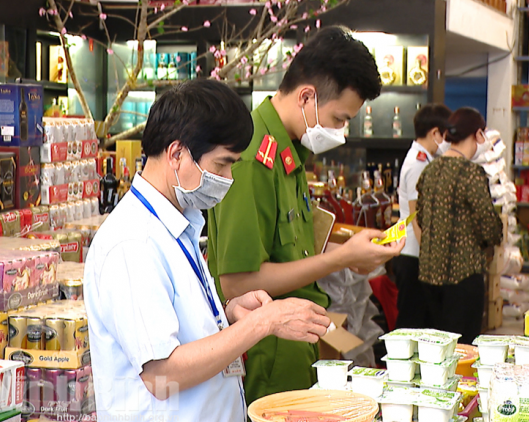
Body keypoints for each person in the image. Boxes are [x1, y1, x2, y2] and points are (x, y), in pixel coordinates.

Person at [84, 80, 332, 422]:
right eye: (221, 165)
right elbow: (161, 373)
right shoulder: (132, 243)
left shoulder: (177, 223)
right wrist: (263, 322)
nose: (229, 178)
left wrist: (228, 315)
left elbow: (177, 329)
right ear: (176, 154)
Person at [207, 26, 405, 405]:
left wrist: (351, 250)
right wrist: (341, 258)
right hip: (267, 355)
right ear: (307, 96)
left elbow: (295, 247)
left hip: (298, 343)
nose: (341, 132)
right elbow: (238, 282)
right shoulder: (250, 157)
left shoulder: (289, 152)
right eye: (339, 118)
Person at [415, 107, 503, 343]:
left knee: (437, 350)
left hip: (429, 274)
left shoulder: (430, 169)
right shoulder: (471, 173)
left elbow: (421, 217)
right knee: (463, 349)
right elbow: (487, 225)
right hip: (463, 276)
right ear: (477, 135)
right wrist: (494, 237)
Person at [394, 104, 452, 329]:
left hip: (416, 252)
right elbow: (419, 215)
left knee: (421, 320)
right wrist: (431, 259)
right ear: (435, 133)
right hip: (414, 255)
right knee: (412, 322)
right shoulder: (418, 163)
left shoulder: (425, 159)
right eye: (446, 135)